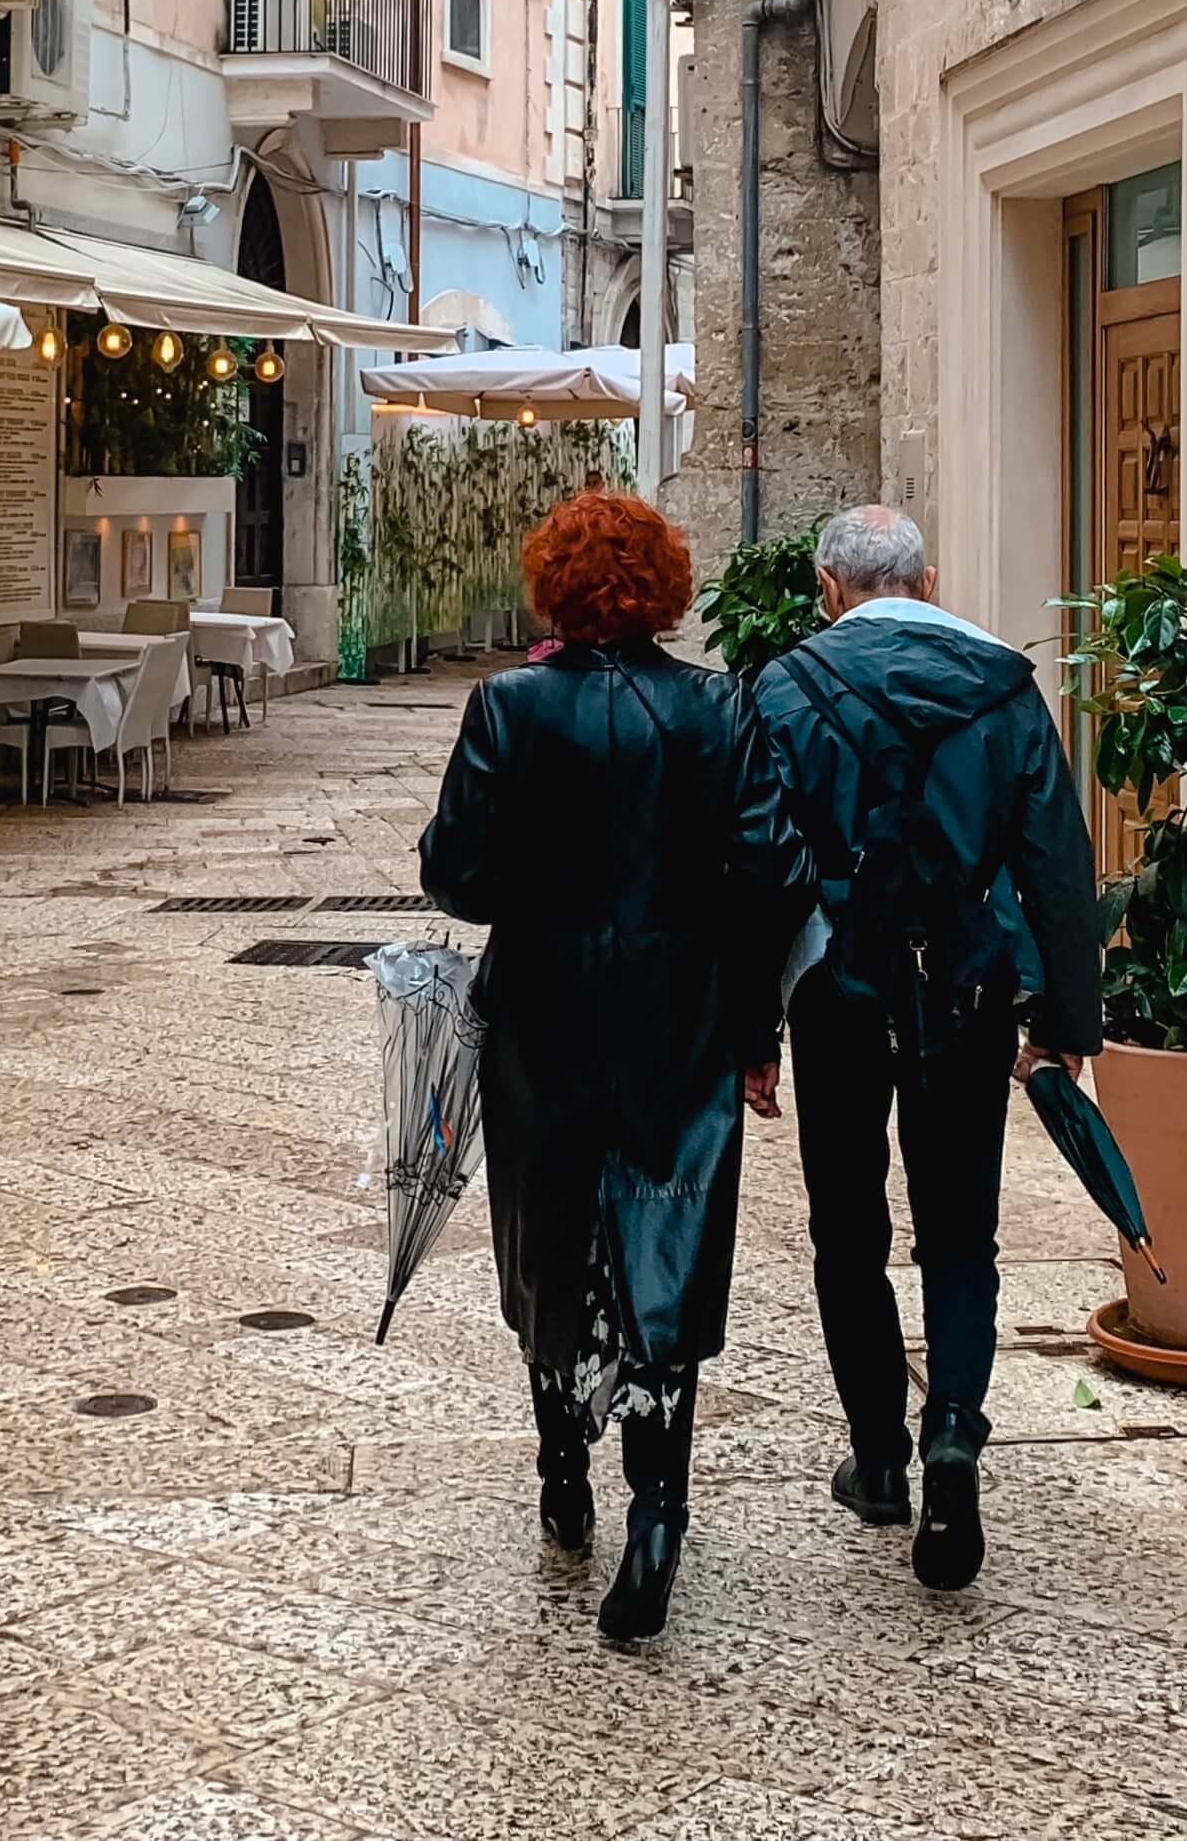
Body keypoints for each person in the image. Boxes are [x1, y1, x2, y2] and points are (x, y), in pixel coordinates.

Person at [420, 491, 812, 1646]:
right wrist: (749, 1012)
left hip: (541, 1018)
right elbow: (777, 867)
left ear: (552, 584)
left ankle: (562, 1465)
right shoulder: (716, 705)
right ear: (664, 589)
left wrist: (538, 876)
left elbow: (457, 878)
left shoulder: (506, 707)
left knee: (548, 1234)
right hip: (678, 1020)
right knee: (666, 1244)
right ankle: (658, 1509)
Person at [749, 504, 1102, 1593]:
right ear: (929, 580)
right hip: (967, 981)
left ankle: (878, 1457)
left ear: (828, 587)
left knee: (846, 1227)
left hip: (836, 985)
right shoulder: (1002, 685)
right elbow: (1056, 860)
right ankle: (952, 1430)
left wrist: (749, 1027)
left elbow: (760, 868)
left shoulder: (783, 688)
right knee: (959, 1228)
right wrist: (1066, 1021)